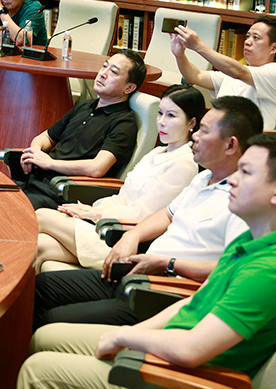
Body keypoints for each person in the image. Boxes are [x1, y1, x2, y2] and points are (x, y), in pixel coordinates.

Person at [18, 133, 276, 389]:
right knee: (44, 336)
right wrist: (131, 335)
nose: (233, 180)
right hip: (170, 341)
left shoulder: (270, 272)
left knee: (36, 369)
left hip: (181, 374)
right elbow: (196, 301)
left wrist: (124, 337)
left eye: (246, 173)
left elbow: (191, 350)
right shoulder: (254, 237)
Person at [32, 96, 263, 330]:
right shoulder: (204, 178)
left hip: (161, 290)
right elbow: (166, 215)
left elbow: (230, 268)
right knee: (42, 286)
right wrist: (133, 236)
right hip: (138, 270)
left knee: (51, 316)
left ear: (230, 145)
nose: (196, 136)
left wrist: (168, 263)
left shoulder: (243, 202)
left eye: (204, 131)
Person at [34, 84, 205, 273]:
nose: (162, 122)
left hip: (123, 239)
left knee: (41, 216)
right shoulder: (158, 152)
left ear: (191, 123)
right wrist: (90, 212)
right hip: (106, 224)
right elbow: (123, 197)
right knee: (39, 245)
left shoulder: (184, 164)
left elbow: (145, 218)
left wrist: (96, 214)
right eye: (160, 113)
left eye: (171, 116)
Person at [14, 50, 146, 210]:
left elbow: (97, 168)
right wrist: (34, 152)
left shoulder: (124, 123)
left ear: (129, 87)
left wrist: (50, 163)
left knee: (3, 209)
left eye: (113, 72)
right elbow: (46, 138)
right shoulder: (84, 106)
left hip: (60, 193)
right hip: (32, 182)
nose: (103, 74)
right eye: (104, 66)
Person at [171, 15, 276, 130]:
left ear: (274, 48)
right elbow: (195, 76)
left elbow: (238, 72)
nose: (247, 41)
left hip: (247, 140)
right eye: (248, 36)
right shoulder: (233, 71)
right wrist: (179, 55)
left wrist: (198, 45)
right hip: (218, 133)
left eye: (256, 38)